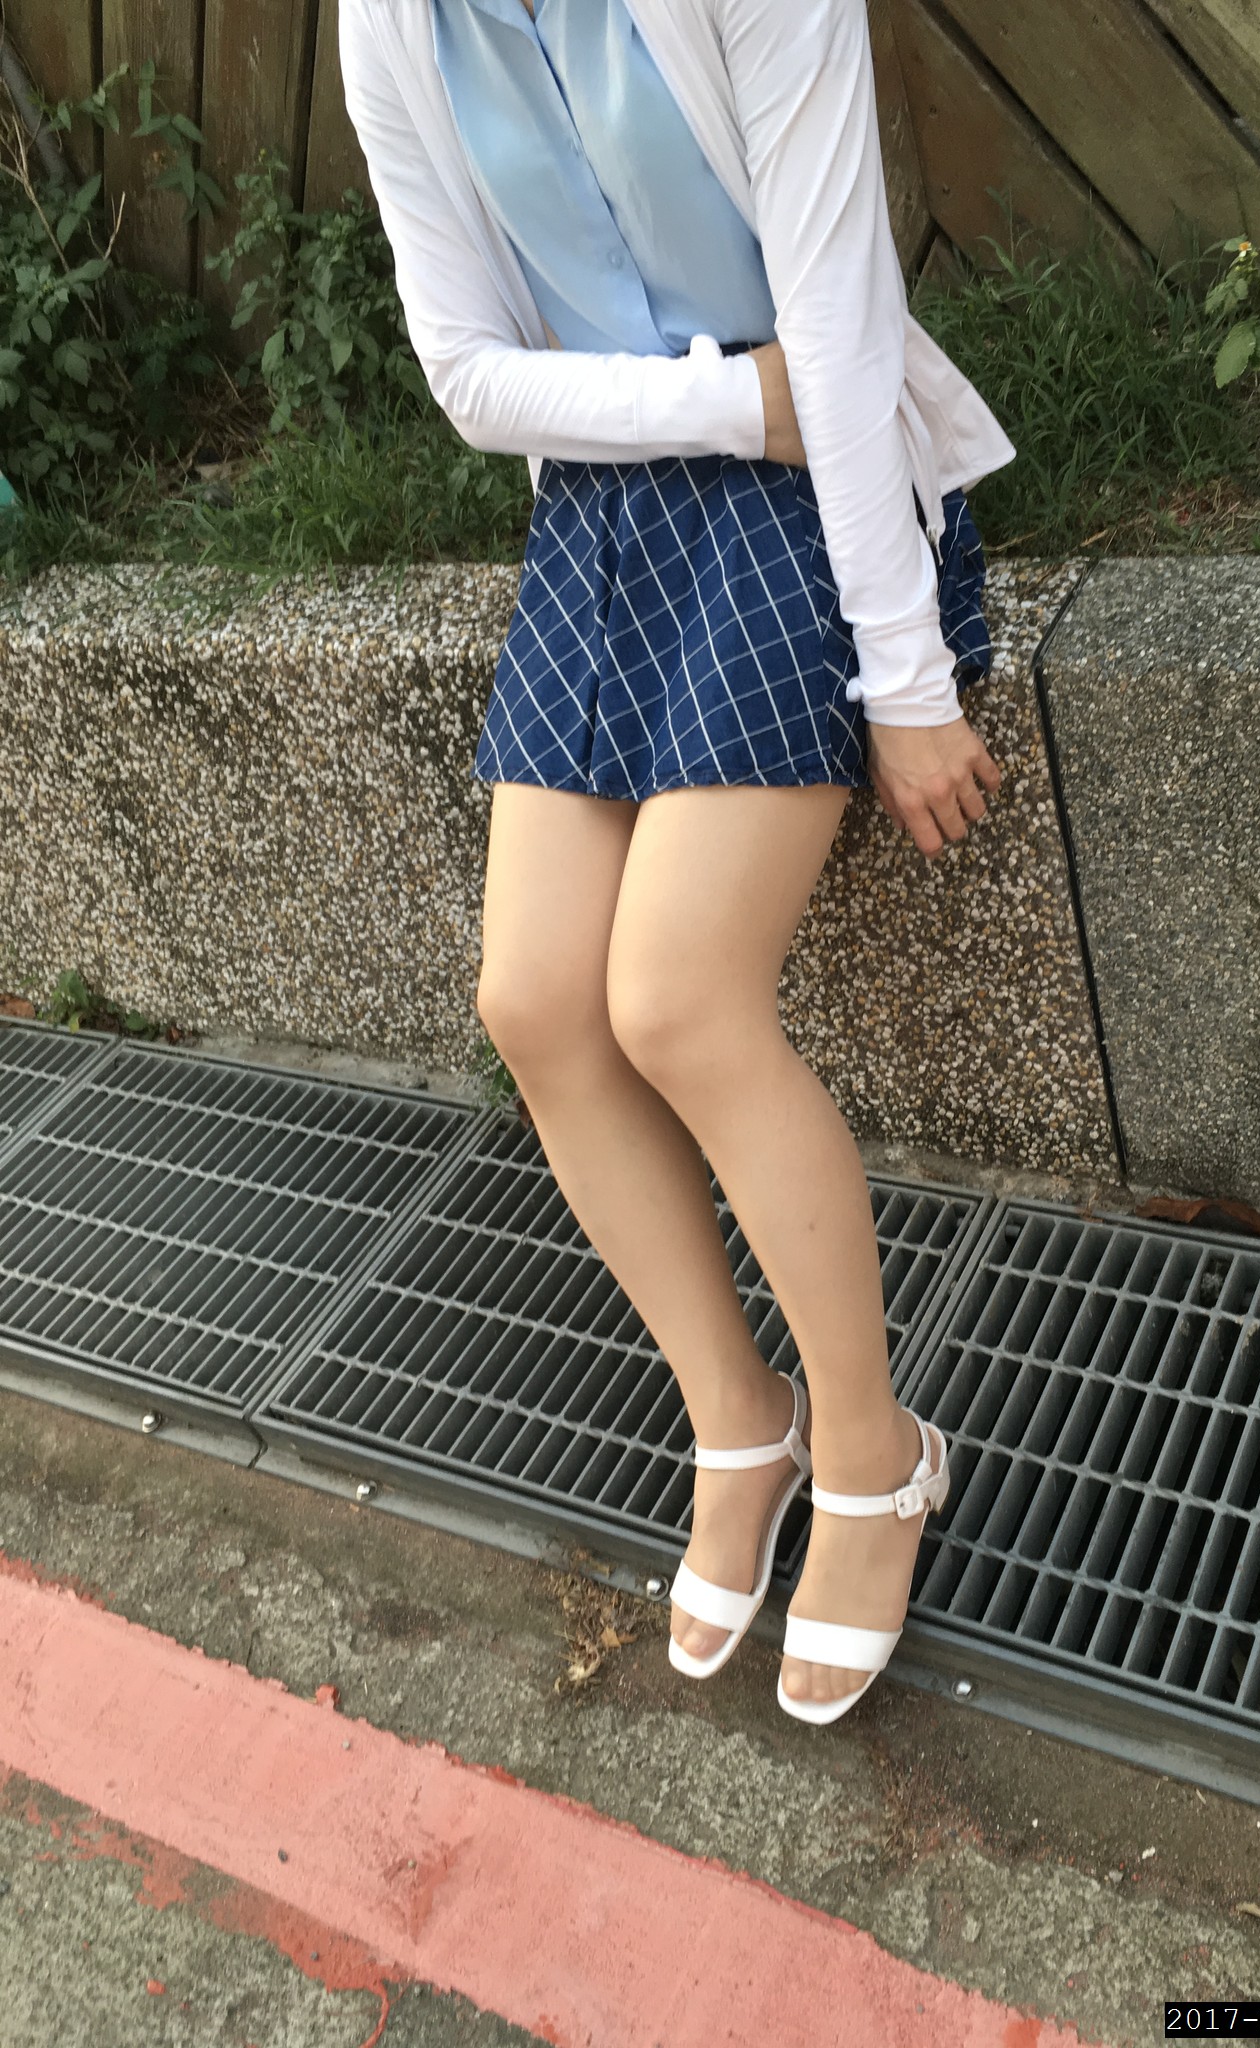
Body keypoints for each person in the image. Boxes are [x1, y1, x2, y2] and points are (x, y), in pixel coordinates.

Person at [338, 0, 1016, 1722]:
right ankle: (742, 1423)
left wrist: (909, 683)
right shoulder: (388, 21)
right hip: (621, 497)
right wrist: (720, 401)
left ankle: (874, 1451)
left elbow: (841, 334)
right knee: (534, 1002)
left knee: (675, 997)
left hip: (818, 481)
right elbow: (467, 375)